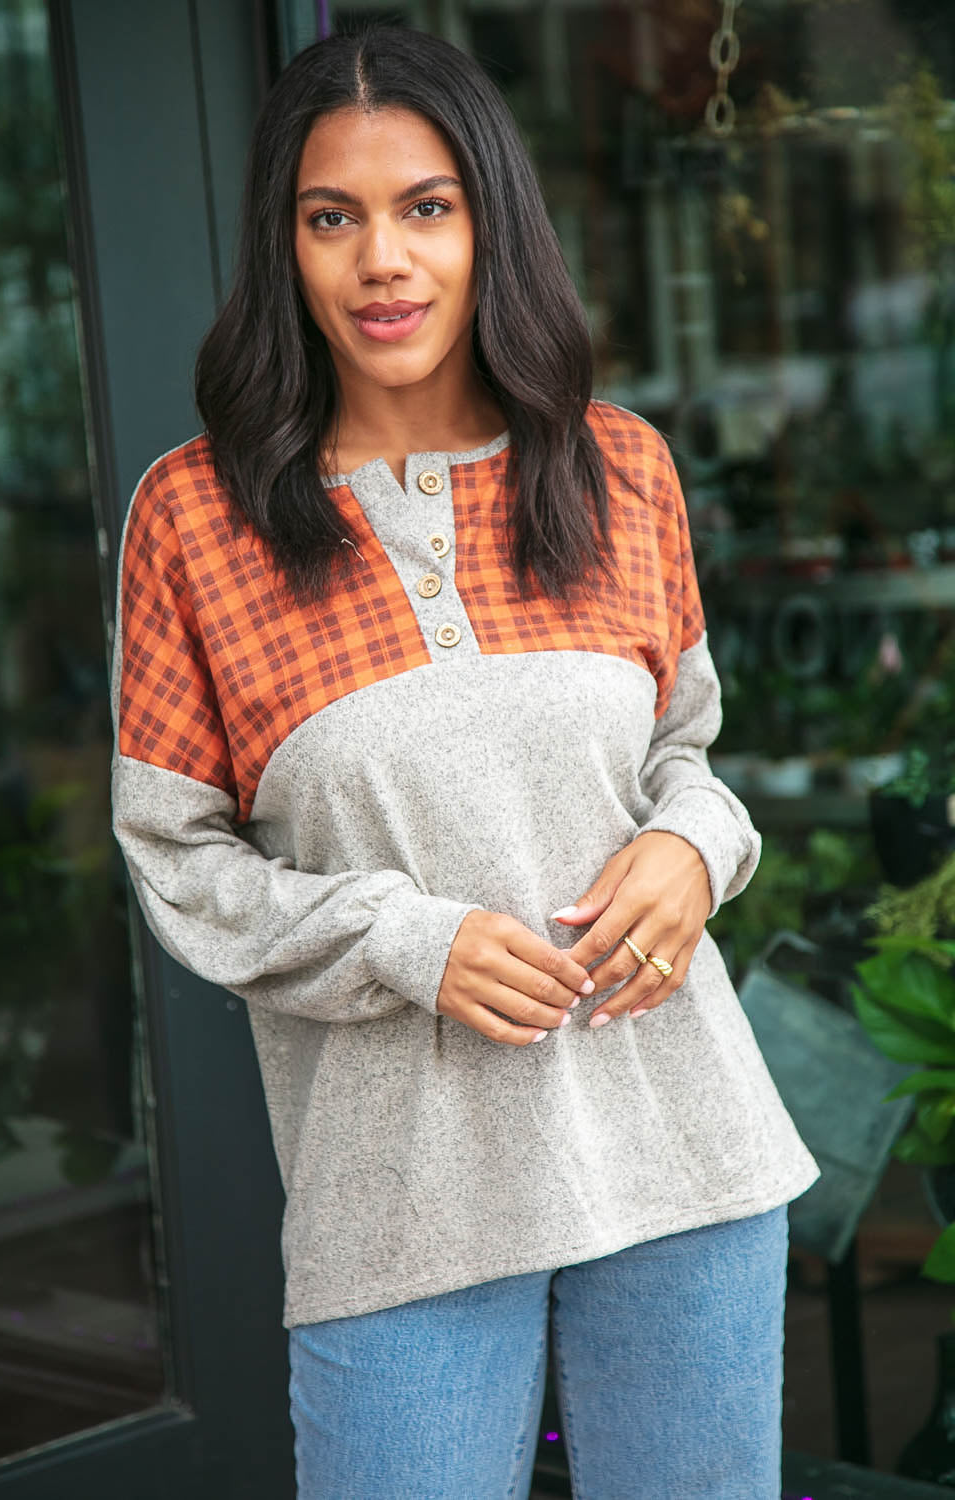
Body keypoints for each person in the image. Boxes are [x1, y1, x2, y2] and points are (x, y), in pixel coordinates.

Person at [111, 25, 818, 1499]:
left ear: (491, 221)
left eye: (426, 207)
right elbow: (177, 860)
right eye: (333, 217)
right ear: (284, 246)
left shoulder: (617, 466)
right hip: (402, 1207)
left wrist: (694, 849)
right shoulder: (197, 518)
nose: (384, 260)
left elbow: (686, 755)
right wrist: (406, 941)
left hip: (686, 1151)